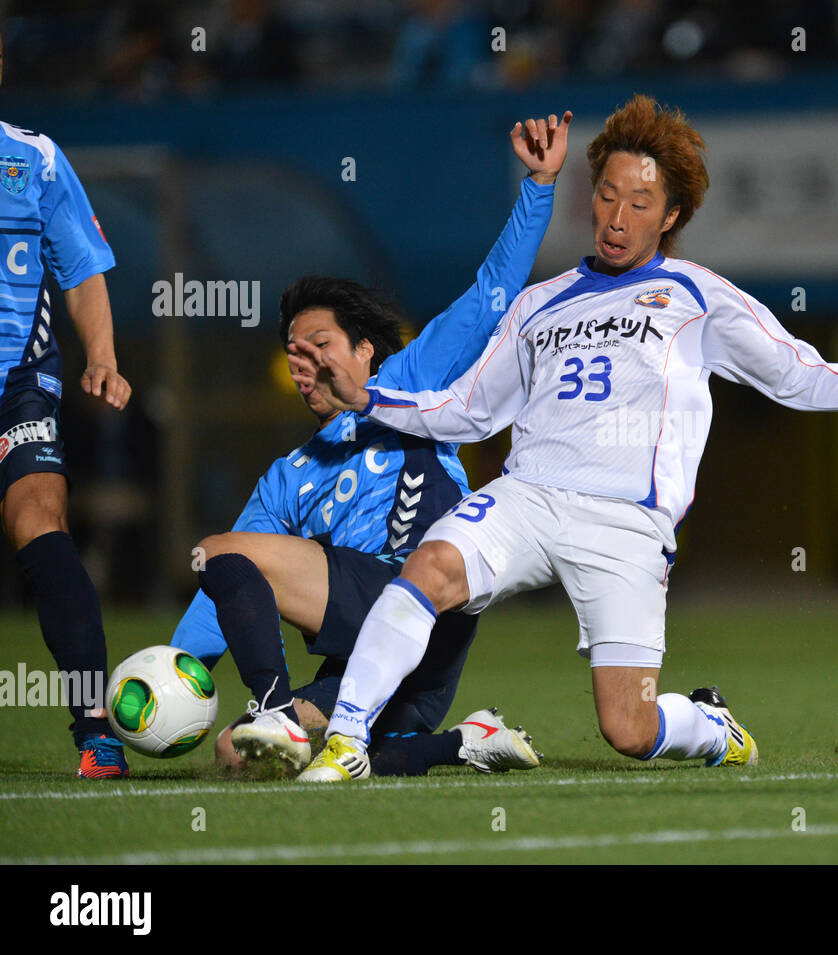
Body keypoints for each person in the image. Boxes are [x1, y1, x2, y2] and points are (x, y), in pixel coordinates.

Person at [289, 95, 838, 782]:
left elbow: (793, 372)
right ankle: (347, 742)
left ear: (671, 216)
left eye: (640, 203)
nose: (617, 216)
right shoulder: (537, 304)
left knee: (629, 728)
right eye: (607, 195)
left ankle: (711, 725)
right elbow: (468, 412)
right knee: (428, 567)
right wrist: (371, 398)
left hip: (625, 521)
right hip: (529, 495)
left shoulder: (697, 297)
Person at [171, 112, 573, 777]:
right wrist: (178, 672)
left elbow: (490, 294)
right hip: (390, 669)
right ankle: (464, 742)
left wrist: (539, 183)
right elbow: (226, 587)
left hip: (423, 596)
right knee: (235, 754)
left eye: (318, 346)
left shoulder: (409, 382)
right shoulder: (289, 476)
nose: (303, 363)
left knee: (220, 548)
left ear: (364, 349)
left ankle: (273, 703)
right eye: (293, 354)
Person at [0, 31, 134, 778]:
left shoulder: (36, 158)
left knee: (39, 515)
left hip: (22, 381)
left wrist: (104, 356)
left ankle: (95, 731)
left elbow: (81, 269)